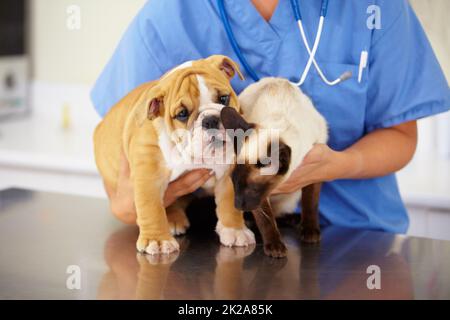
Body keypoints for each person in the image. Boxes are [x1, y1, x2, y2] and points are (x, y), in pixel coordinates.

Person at [91, 0, 450, 233]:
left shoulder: (374, 8)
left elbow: (401, 137)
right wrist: (136, 205)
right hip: (208, 241)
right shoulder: (169, 16)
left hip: (349, 235)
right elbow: (121, 147)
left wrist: (336, 165)